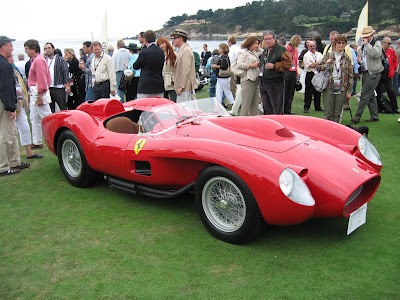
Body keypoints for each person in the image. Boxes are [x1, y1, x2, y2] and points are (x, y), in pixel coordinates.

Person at [0, 36, 30, 177]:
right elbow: (5, 88)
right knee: (6, 135)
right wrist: (10, 107)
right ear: (3, 47)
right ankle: (3, 167)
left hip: (5, 102)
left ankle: (14, 162)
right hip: (4, 103)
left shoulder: (4, 63)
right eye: (10, 45)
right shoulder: (4, 65)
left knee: (11, 133)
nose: (12, 48)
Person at [9, 55, 42, 159]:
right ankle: (10, 157)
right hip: (11, 103)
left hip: (18, 102)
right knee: (10, 130)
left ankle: (28, 152)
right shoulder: (6, 68)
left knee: (24, 126)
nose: (12, 57)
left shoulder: (13, 68)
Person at [317, 34, 353, 123]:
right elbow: (318, 67)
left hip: (341, 85)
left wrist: (349, 91)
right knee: (328, 112)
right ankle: (326, 132)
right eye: (339, 43)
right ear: (335, 44)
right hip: (329, 83)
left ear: (345, 44)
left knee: (337, 112)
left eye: (343, 43)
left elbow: (350, 75)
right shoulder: (328, 55)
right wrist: (326, 64)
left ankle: (335, 133)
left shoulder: (347, 58)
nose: (341, 45)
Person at [351, 26, 384, 123]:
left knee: (364, 93)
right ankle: (374, 115)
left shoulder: (376, 43)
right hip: (366, 71)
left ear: (371, 35)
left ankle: (357, 116)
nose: (364, 38)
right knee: (371, 95)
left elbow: (375, 54)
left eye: (366, 36)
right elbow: (365, 58)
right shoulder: (364, 46)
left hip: (374, 72)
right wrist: (360, 61)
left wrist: (366, 45)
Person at [24, 39, 52, 149]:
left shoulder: (39, 60)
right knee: (34, 118)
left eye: (27, 49)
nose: (25, 51)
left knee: (47, 117)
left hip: (38, 91)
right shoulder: (36, 59)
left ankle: (54, 136)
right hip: (35, 91)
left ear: (33, 49)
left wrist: (40, 95)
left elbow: (42, 78)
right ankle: (37, 141)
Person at [259, 30, 292, 114]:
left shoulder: (282, 49)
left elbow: (288, 64)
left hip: (276, 82)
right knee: (266, 107)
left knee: (277, 107)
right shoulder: (265, 51)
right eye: (266, 39)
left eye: (270, 39)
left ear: (274, 38)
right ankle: (268, 125)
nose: (268, 41)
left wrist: (275, 66)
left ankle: (279, 124)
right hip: (264, 81)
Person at [133, 30, 165, 99]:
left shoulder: (145, 52)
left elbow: (135, 66)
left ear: (144, 39)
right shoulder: (161, 52)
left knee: (144, 107)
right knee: (158, 107)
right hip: (158, 84)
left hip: (146, 85)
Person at [236, 36, 263, 116]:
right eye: (255, 43)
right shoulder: (243, 52)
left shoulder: (254, 52)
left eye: (258, 43)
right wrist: (251, 65)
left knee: (255, 104)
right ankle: (243, 121)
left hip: (256, 79)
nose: (257, 45)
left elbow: (263, 51)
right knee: (246, 103)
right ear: (250, 43)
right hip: (247, 79)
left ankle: (254, 121)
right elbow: (239, 64)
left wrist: (257, 47)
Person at [170, 29, 197, 102]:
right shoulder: (183, 50)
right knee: (186, 109)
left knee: (184, 110)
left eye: (174, 38)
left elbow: (185, 70)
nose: (173, 40)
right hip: (185, 87)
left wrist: (180, 86)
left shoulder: (185, 51)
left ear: (181, 38)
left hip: (185, 87)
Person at [44, 42, 70, 112]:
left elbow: (65, 72)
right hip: (48, 88)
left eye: (49, 48)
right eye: (46, 48)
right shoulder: (44, 60)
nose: (47, 50)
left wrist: (67, 85)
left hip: (58, 87)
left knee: (63, 107)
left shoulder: (60, 59)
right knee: (50, 108)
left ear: (53, 49)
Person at [375, 37, 399, 114]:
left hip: (387, 73)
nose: (389, 45)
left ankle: (395, 108)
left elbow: (395, 61)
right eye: (388, 43)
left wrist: (393, 70)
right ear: (383, 43)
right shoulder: (378, 51)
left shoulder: (391, 52)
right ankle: (379, 108)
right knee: (377, 91)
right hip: (378, 73)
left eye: (390, 43)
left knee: (391, 91)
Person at [303, 40, 324, 113]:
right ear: (308, 47)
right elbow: (310, 65)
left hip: (318, 73)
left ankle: (317, 106)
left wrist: (316, 63)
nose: (312, 47)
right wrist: (318, 63)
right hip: (310, 73)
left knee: (318, 90)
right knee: (309, 91)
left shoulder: (319, 54)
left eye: (313, 46)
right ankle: (306, 107)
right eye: (310, 46)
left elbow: (323, 63)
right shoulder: (306, 55)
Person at [212, 43, 235, 107]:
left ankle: (233, 105)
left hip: (224, 77)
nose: (218, 49)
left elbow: (224, 66)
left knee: (227, 92)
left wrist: (217, 66)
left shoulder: (224, 57)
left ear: (222, 49)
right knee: (219, 92)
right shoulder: (223, 57)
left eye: (219, 48)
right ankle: (218, 106)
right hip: (220, 77)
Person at [284, 35, 301, 114]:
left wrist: (297, 74)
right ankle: (283, 108)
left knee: (291, 91)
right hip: (287, 71)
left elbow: (296, 62)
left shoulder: (296, 50)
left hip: (293, 72)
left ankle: (288, 109)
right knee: (285, 91)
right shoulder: (286, 49)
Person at [156, 37, 177, 101]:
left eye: (163, 43)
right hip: (162, 81)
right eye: (159, 45)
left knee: (174, 101)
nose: (162, 46)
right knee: (164, 102)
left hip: (172, 81)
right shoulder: (158, 55)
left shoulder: (173, 54)